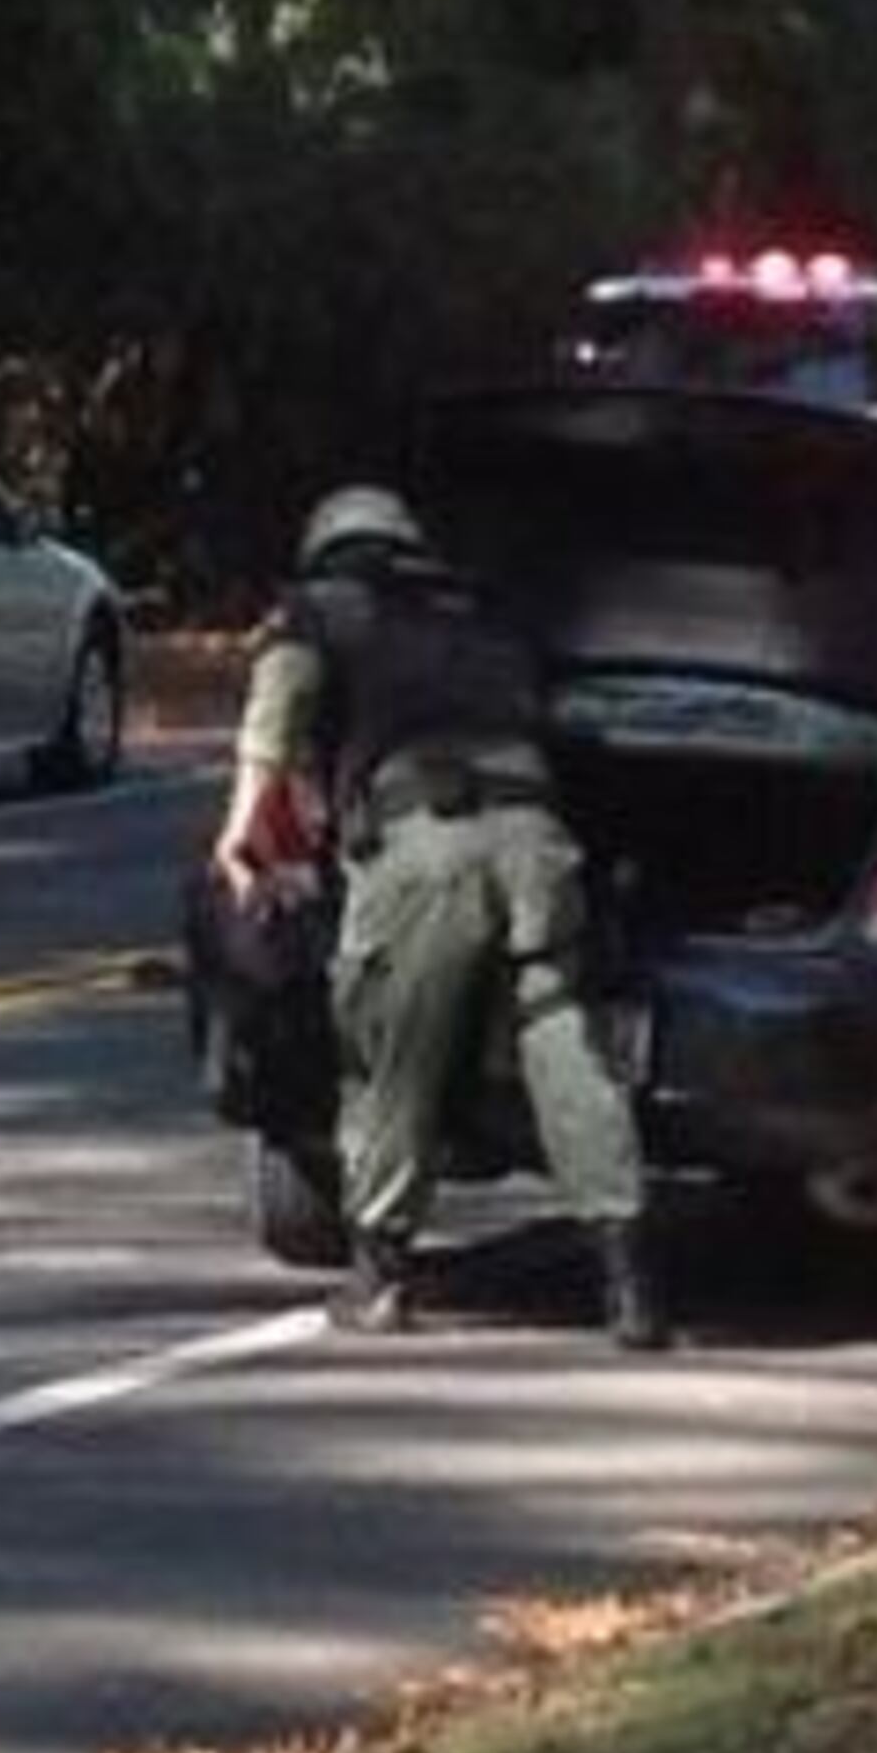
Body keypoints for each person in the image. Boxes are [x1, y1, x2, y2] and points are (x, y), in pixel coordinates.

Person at [211, 485, 667, 1349]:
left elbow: (273, 721)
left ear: (327, 549)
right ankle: (630, 1285)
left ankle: (381, 1280)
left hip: (427, 849)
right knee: (566, 1049)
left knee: (393, 1056)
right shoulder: (486, 614)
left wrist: (240, 834)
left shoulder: (322, 611)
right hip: (537, 843)